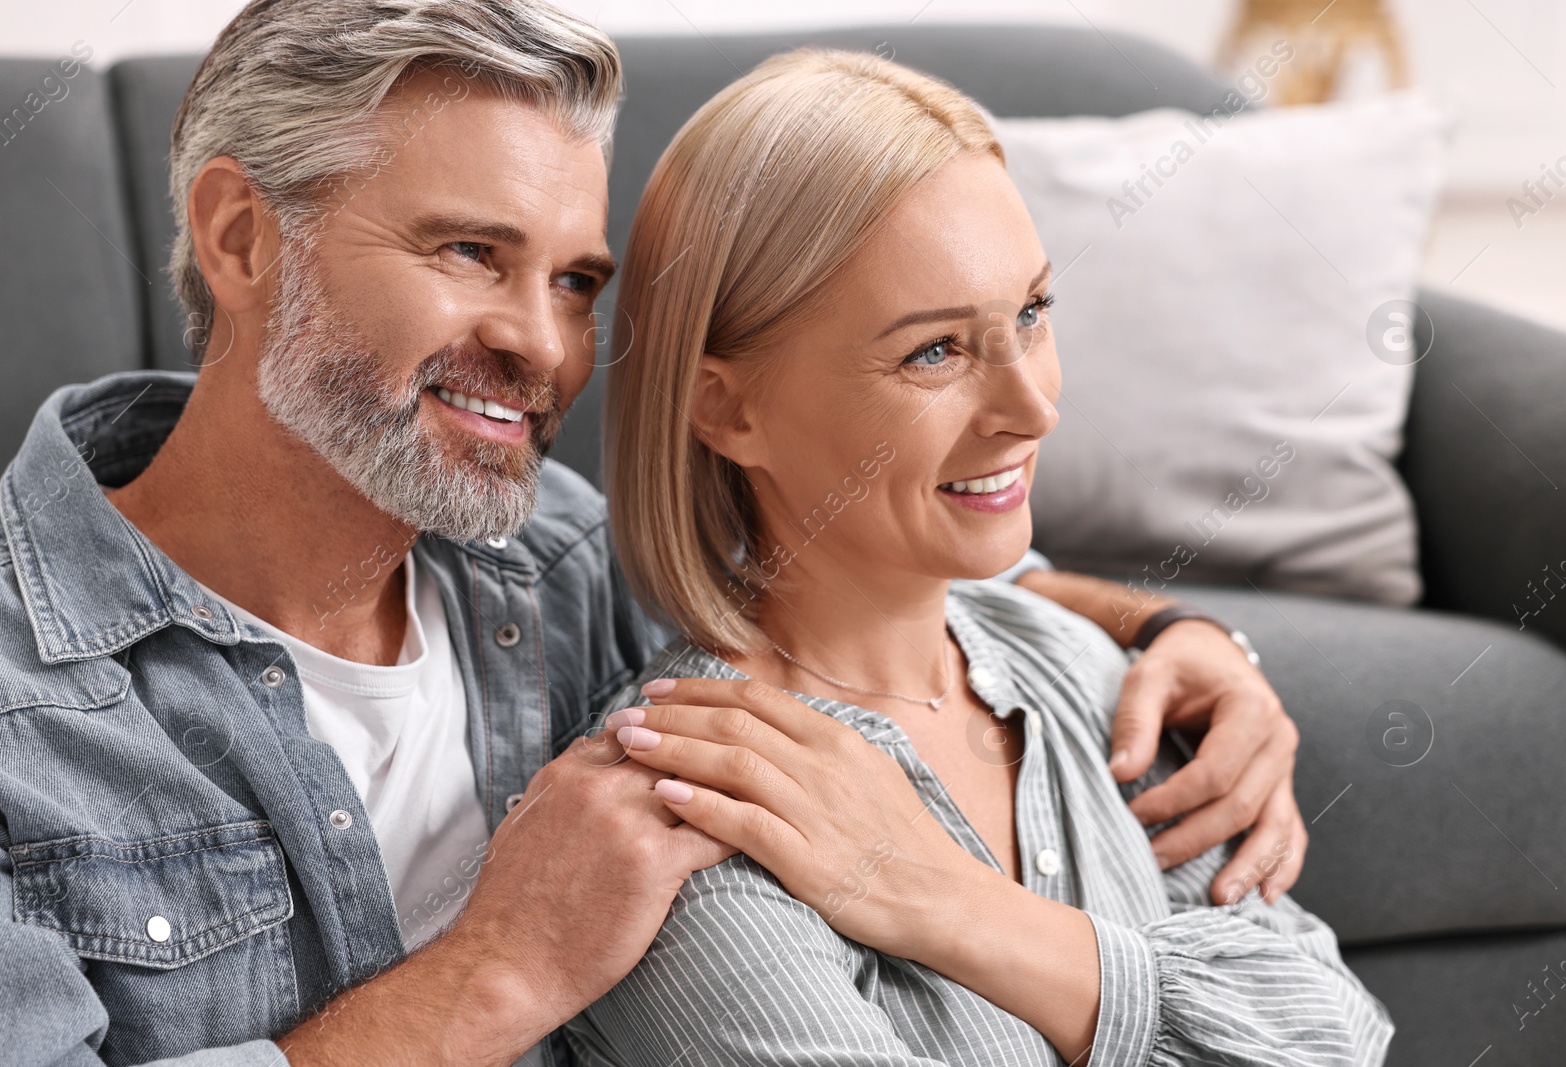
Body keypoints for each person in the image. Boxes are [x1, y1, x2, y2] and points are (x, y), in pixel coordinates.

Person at [0, 3, 1298, 1065]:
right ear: (241, 236)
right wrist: (501, 967)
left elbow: (874, 547)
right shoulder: (27, 704)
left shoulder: (556, 557)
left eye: (574, 281)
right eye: (468, 250)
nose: (544, 345)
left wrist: (1173, 630)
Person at [566, 50, 1392, 1066]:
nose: (1032, 406)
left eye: (1031, 314)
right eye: (934, 351)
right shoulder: (691, 804)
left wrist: (946, 902)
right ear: (727, 407)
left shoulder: (1084, 677)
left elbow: (1335, 1034)